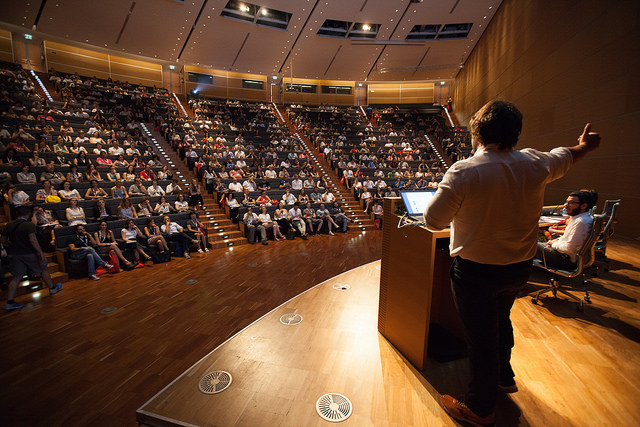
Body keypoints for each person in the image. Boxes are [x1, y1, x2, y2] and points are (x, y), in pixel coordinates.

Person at [424, 101, 601, 426]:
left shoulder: (464, 171)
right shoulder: (537, 162)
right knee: (501, 319)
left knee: (480, 338)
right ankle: (503, 376)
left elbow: (434, 219)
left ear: (476, 133)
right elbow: (568, 155)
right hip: (520, 267)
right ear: (515, 132)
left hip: (476, 272)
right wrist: (585, 146)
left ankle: (479, 408)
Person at [2, 204, 63, 311]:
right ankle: (52, 288)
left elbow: (3, 239)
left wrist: (9, 244)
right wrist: (40, 252)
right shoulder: (28, 225)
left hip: (14, 254)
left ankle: (10, 302)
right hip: (29, 253)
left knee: (16, 278)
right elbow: (32, 240)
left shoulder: (9, 224)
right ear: (28, 213)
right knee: (43, 270)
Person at [535, 190, 597, 269]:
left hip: (565, 259)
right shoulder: (581, 218)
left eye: (571, 203)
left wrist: (553, 244)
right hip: (563, 253)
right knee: (537, 242)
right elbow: (568, 239)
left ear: (583, 206)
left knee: (530, 244)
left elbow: (569, 248)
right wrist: (555, 241)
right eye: (566, 202)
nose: (566, 206)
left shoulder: (581, 222)